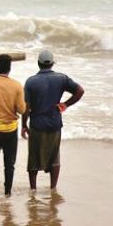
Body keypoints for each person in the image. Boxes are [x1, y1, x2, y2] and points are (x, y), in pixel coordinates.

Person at [21, 50, 85, 190]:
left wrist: (24, 125)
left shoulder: (31, 81)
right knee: (54, 157)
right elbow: (80, 91)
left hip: (37, 125)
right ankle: (53, 188)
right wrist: (65, 105)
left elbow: (26, 106)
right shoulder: (61, 78)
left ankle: (33, 189)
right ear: (52, 64)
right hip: (55, 123)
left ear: (38, 63)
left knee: (34, 158)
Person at [0, 54, 26, 196]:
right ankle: (7, 193)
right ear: (10, 68)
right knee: (9, 165)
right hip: (10, 130)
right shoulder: (17, 85)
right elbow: (22, 109)